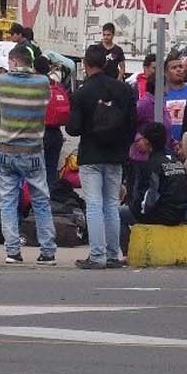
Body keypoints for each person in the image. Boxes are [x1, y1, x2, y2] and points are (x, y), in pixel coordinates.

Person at [67, 43, 136, 270]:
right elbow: (132, 124)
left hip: (91, 154)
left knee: (94, 204)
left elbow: (73, 129)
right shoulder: (123, 90)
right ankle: (112, 254)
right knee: (111, 204)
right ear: (106, 63)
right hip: (116, 155)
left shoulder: (82, 93)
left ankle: (97, 255)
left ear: (86, 65)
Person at [0, 44, 56, 266]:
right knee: (40, 200)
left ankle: (13, 251)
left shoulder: (1, 81)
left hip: (5, 150)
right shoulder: (43, 83)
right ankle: (47, 251)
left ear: (14, 61)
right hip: (33, 152)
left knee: (8, 201)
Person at [120, 122, 187, 253]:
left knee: (119, 213)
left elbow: (147, 201)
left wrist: (135, 209)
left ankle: (127, 253)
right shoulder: (176, 161)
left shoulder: (150, 166)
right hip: (180, 212)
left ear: (147, 142)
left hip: (162, 215)